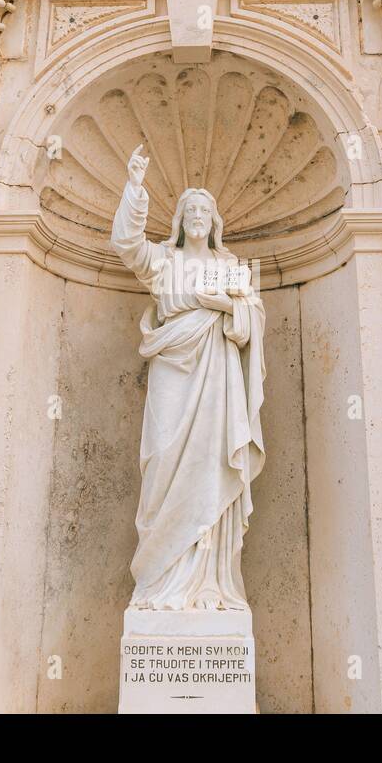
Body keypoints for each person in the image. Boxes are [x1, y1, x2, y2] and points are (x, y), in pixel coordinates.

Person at [110, 144, 266, 611]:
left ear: (213, 221)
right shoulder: (163, 261)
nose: (197, 215)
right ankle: (159, 585)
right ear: (179, 219)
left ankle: (208, 586)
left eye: (204, 209)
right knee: (160, 458)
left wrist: (222, 305)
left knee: (212, 463)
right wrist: (135, 189)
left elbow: (248, 325)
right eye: (190, 209)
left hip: (216, 376)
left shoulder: (230, 267)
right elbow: (127, 247)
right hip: (171, 369)